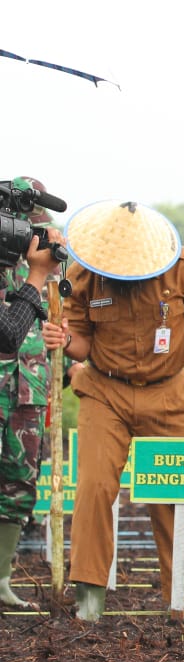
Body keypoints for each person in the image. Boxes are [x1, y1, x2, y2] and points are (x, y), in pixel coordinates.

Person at [41, 201, 184, 624]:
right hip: (106, 390)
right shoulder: (84, 273)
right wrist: (63, 339)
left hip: (168, 390)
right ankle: (89, 596)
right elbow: (82, 345)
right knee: (94, 487)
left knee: (179, 492)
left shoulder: (183, 265)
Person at [0, 179, 64, 609]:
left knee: (19, 485)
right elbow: (7, 332)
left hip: (29, 389)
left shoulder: (49, 267)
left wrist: (66, 341)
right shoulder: (15, 263)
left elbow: (67, 322)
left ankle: (2, 579)